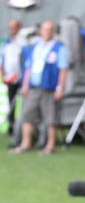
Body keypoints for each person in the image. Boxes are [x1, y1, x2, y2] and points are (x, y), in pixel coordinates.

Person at [10, 20, 69, 154]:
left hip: (49, 88)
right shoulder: (35, 46)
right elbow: (28, 67)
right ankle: (26, 144)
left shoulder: (59, 47)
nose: (46, 32)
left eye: (49, 29)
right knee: (26, 115)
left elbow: (63, 69)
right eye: (44, 29)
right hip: (33, 88)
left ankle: (50, 145)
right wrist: (25, 85)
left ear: (53, 31)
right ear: (40, 31)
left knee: (50, 117)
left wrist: (60, 88)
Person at [0, 18, 23, 139]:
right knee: (11, 102)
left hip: (22, 77)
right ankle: (12, 125)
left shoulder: (23, 42)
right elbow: (2, 61)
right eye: (11, 27)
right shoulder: (6, 43)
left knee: (23, 103)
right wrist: (3, 76)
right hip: (10, 77)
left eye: (14, 27)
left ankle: (23, 127)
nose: (12, 30)